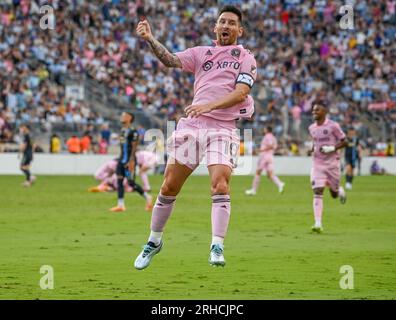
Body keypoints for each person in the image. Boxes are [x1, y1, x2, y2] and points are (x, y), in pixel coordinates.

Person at [134, 5, 257, 269]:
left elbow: (240, 93)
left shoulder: (246, 57)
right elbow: (169, 60)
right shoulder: (202, 53)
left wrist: (208, 106)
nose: (226, 26)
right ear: (215, 27)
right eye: (222, 21)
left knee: (220, 184)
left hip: (222, 128)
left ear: (240, 30)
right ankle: (154, 241)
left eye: (231, 23)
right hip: (193, 126)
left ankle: (217, 245)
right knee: (168, 187)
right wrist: (150, 39)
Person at [308, 99, 348, 233]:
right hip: (317, 164)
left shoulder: (333, 126)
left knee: (334, 194)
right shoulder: (311, 128)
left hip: (332, 165)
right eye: (313, 110)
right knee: (317, 191)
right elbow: (315, 143)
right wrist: (311, 149)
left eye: (317, 110)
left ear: (324, 111)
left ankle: (339, 190)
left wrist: (332, 148)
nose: (314, 112)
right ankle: (318, 223)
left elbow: (345, 142)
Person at [109, 112, 153, 212]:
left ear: (130, 118)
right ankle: (120, 205)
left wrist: (132, 160)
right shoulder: (123, 131)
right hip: (121, 160)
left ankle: (148, 197)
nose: (122, 117)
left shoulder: (134, 132)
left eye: (124, 116)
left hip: (130, 161)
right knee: (119, 181)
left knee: (130, 182)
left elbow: (134, 147)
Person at [89, 150, 158, 193]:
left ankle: (146, 188)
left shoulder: (133, 156)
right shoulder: (138, 155)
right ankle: (146, 187)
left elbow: (133, 167)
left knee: (141, 172)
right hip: (154, 158)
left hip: (152, 159)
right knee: (142, 172)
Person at [246, 126, 285, 195]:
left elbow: (271, 146)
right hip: (270, 156)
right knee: (269, 174)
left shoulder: (268, 136)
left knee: (258, 172)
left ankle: (253, 190)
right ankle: (280, 184)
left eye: (264, 129)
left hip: (265, 156)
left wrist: (261, 150)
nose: (263, 130)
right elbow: (274, 146)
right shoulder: (273, 137)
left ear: (267, 130)